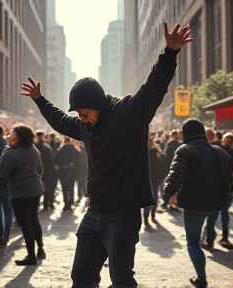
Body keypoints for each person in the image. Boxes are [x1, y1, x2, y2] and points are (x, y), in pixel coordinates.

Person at [21, 22, 193, 287]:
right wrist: (40, 100)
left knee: (122, 279)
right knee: (81, 276)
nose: (82, 120)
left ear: (97, 105)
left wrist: (170, 53)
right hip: (93, 213)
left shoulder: (130, 113)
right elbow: (58, 121)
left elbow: (154, 87)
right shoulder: (84, 125)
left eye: (84, 113)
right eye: (79, 115)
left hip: (123, 215)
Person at [163, 119, 230, 288]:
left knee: (193, 242)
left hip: (194, 204)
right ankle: (211, 240)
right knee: (208, 228)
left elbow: (175, 176)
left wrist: (167, 194)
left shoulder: (185, 150)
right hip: (216, 202)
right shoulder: (217, 151)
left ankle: (201, 278)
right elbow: (226, 176)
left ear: (185, 133)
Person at [0, 124, 46, 265]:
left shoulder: (10, 153)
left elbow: (1, 173)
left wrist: (6, 150)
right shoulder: (34, 150)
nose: (9, 135)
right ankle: (40, 249)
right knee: (33, 219)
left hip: (20, 192)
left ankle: (31, 255)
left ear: (18, 137)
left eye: (12, 133)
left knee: (25, 223)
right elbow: (40, 170)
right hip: (35, 189)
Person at [54, 136, 80, 210]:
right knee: (71, 187)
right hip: (72, 172)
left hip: (62, 172)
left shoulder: (60, 150)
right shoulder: (75, 150)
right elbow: (79, 161)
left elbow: (55, 161)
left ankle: (66, 203)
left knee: (64, 188)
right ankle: (71, 201)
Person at [35, 130, 55, 210]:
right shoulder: (47, 148)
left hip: (35, 172)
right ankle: (46, 204)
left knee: (36, 189)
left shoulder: (33, 147)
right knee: (46, 189)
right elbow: (51, 161)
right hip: (46, 171)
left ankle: (37, 204)